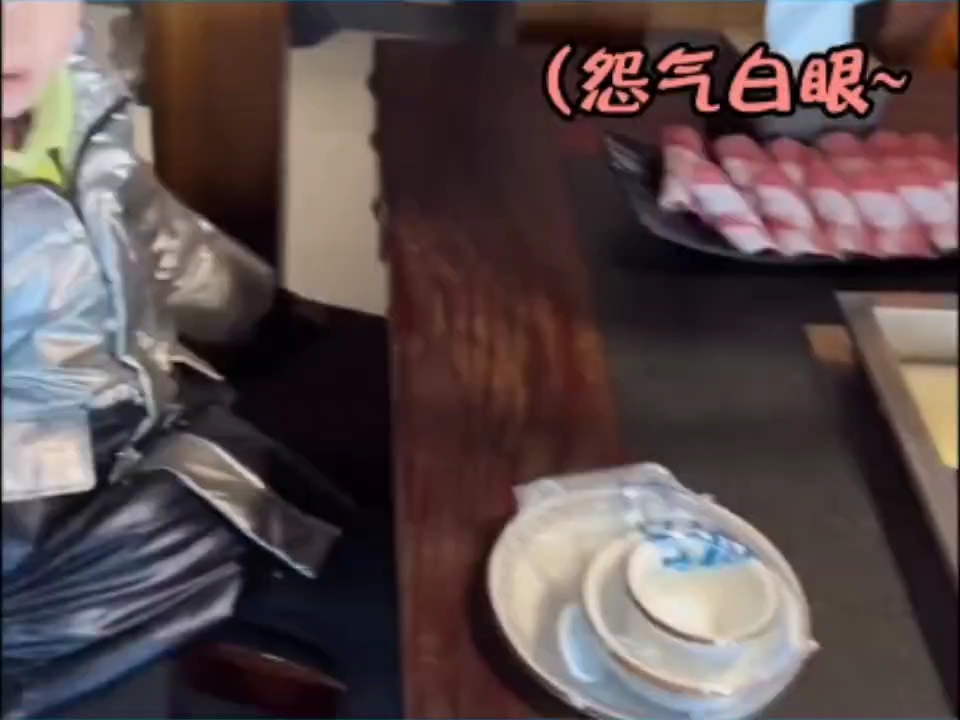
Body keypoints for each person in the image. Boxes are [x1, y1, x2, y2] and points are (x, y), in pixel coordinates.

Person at [2, 2, 348, 717]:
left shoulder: (70, 94)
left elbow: (155, 237)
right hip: (42, 540)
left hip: (147, 433)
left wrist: (267, 318)